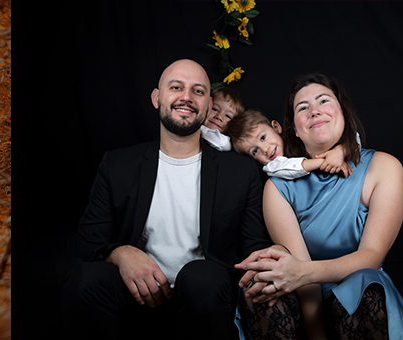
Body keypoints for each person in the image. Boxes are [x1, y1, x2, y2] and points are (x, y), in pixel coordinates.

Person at [71, 59, 272, 340]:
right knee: (85, 280)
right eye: (176, 87)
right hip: (134, 295)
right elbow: (89, 240)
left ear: (208, 106)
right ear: (157, 98)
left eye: (198, 91)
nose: (186, 97)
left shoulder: (241, 172)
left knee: (201, 278)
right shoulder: (117, 165)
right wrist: (121, 253)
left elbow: (255, 247)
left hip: (205, 299)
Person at [235, 73, 403, 340]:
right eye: (302, 107)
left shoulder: (384, 167)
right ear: (294, 128)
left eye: (323, 101)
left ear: (342, 110)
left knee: (364, 285)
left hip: (363, 298)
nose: (314, 111)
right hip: (304, 300)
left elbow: (371, 256)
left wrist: (301, 272)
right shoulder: (278, 188)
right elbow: (301, 282)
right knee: (261, 283)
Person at [222, 109, 352, 180]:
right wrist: (326, 162)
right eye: (255, 151)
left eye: (263, 138)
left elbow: (353, 137)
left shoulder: (300, 134)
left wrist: (340, 151)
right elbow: (289, 168)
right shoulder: (273, 167)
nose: (264, 149)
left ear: (276, 127)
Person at [203, 87, 242, 152]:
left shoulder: (226, 142)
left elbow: (221, 143)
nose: (219, 117)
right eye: (215, 109)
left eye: (228, 116)